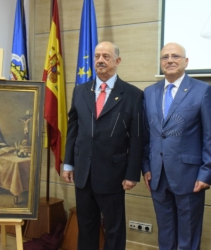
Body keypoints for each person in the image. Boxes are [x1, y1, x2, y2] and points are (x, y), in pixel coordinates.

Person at [62, 41, 143, 250]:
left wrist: (132, 173)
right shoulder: (80, 91)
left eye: (106, 56)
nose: (100, 60)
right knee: (86, 226)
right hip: (83, 173)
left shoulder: (133, 95)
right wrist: (68, 164)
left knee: (114, 229)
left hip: (113, 174)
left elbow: (137, 138)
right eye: (97, 56)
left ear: (117, 61)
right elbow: (73, 129)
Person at [142, 42, 211, 250]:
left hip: (189, 176)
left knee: (188, 235)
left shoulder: (202, 91)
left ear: (186, 62)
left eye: (175, 56)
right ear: (160, 63)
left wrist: (206, 173)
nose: (170, 60)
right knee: (165, 234)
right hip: (157, 176)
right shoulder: (149, 93)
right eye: (165, 57)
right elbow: (146, 135)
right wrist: (146, 166)